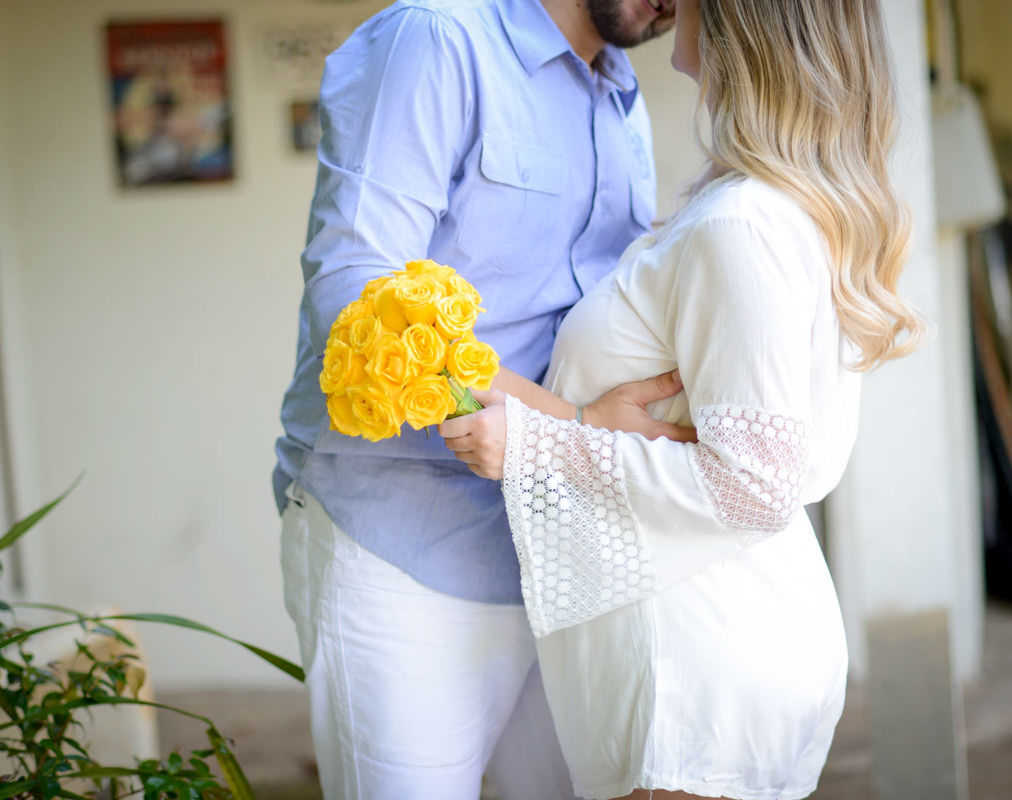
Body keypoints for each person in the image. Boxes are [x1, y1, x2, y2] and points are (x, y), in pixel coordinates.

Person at [440, 0, 926, 798]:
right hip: (698, 635)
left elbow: (752, 485)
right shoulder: (756, 207)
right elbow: (677, 433)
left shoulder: (743, 225)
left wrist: (531, 448)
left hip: (693, 662)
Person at [272, 0, 686, 797]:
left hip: (559, 550)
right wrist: (575, 426)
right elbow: (359, 301)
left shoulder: (619, 86)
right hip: (403, 541)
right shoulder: (436, 38)